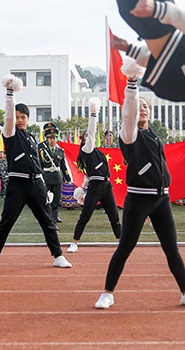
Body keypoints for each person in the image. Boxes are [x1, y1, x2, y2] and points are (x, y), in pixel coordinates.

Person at [94, 62, 185, 310]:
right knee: (125, 248)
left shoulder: (155, 137)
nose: (142, 109)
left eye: (146, 107)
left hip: (161, 200)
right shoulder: (129, 134)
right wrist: (132, 84)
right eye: (139, 106)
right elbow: (130, 113)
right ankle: (107, 293)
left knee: (172, 249)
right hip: (138, 199)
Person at [0, 74, 71, 270]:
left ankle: (58, 255)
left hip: (36, 184)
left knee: (48, 221)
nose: (19, 120)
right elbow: (9, 117)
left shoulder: (30, 138)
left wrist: (44, 187)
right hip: (17, 185)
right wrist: (10, 93)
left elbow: (36, 164)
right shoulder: (10, 133)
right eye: (17, 116)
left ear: (28, 119)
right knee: (6, 222)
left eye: (23, 117)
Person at [67, 97, 121, 253]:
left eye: (88, 137)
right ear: (84, 140)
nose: (88, 137)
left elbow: (90, 175)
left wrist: (83, 187)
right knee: (85, 216)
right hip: (95, 188)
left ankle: (121, 241)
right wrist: (93, 114)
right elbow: (91, 132)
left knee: (114, 216)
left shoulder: (100, 153)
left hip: (105, 186)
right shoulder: (86, 150)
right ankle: (74, 242)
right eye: (85, 137)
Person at [38, 122, 72, 224]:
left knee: (56, 199)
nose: (52, 140)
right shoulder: (42, 150)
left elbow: (63, 166)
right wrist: (40, 177)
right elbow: (40, 165)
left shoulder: (60, 151)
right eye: (50, 138)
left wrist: (68, 178)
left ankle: (55, 217)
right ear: (47, 139)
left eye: (54, 138)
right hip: (46, 177)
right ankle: (47, 217)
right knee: (47, 198)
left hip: (57, 177)